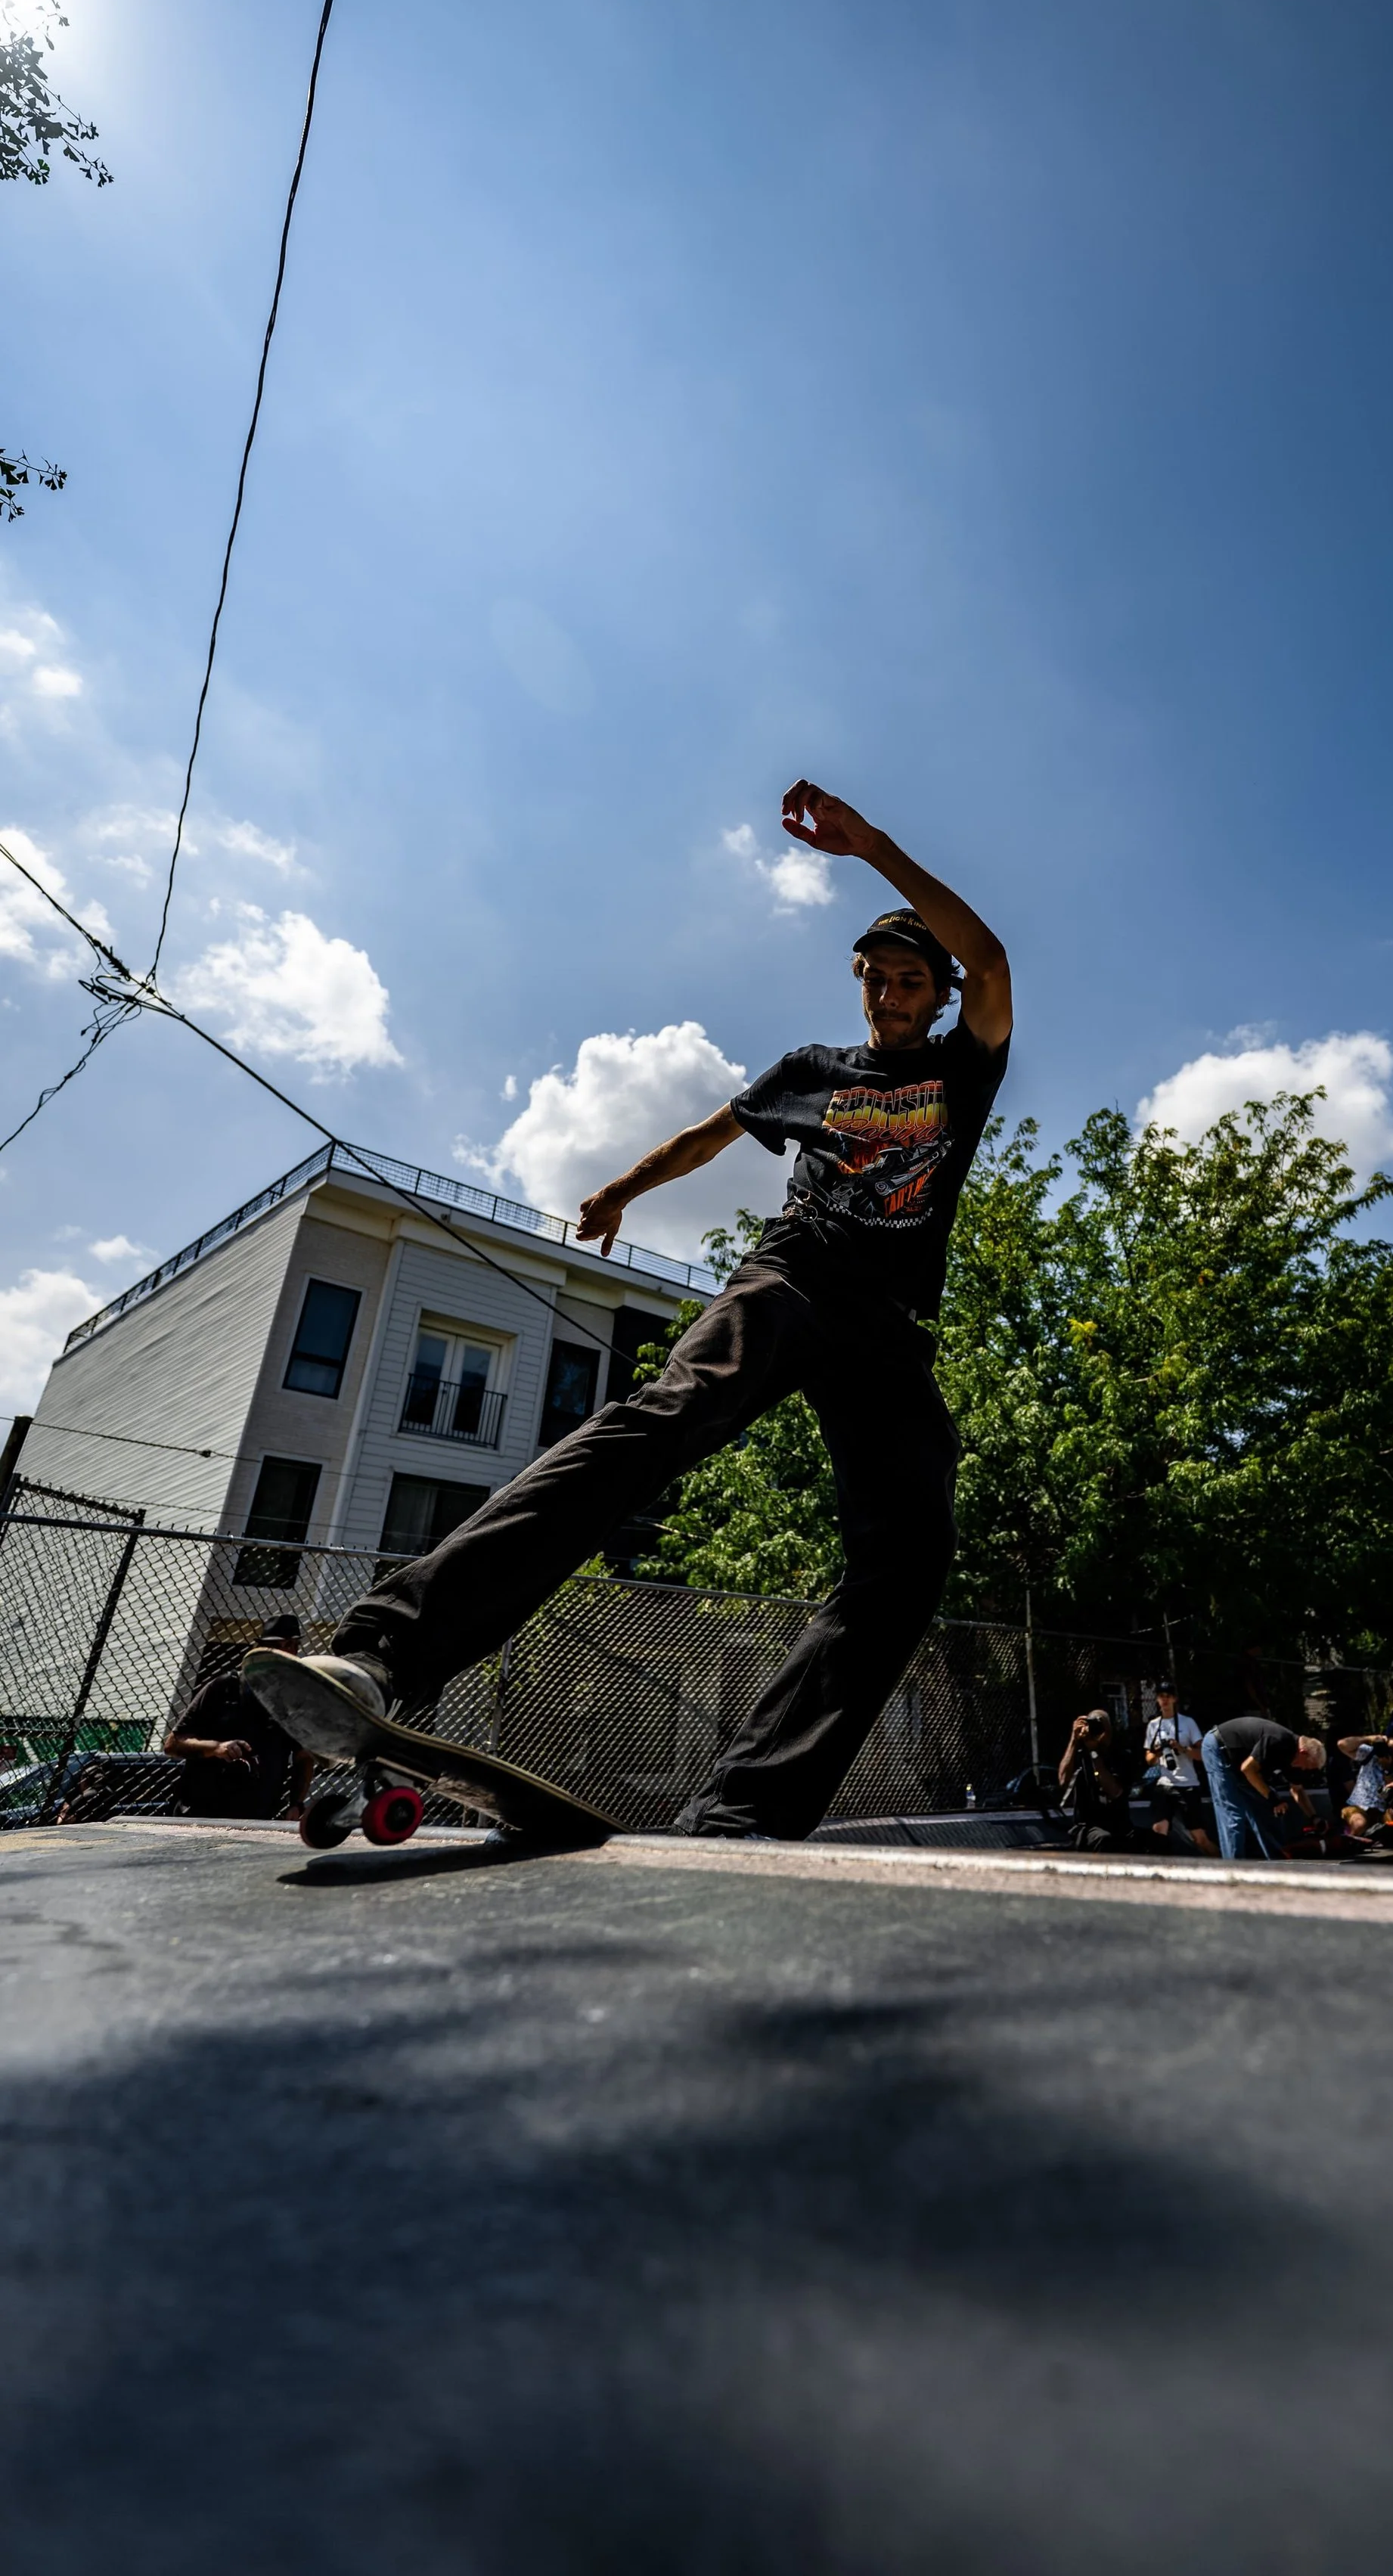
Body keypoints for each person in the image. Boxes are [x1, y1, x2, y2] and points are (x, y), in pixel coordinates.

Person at [254, 786, 1011, 1844]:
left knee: (911, 1552)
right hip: (792, 1278)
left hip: (890, 1329)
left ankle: (748, 1805)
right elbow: (707, 1137)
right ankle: (384, 1653)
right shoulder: (810, 1071)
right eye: (877, 979)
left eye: (909, 981)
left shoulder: (960, 1066)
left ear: (939, 995)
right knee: (664, 1416)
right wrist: (620, 1188)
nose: (888, 996)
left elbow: (997, 957)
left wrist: (873, 845)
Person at [166, 1616, 311, 1820]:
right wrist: (216, 1748)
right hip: (200, 1813)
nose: (290, 1652)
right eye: (284, 1645)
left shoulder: (293, 1700)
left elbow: (303, 1757)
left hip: (256, 1816)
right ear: (261, 1650)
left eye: (294, 1646)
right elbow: (173, 1744)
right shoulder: (225, 1687)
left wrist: (296, 1804)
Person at [1200, 1715, 1326, 1860]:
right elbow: (1248, 1769)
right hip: (1218, 1748)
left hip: (1242, 1763)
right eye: (1308, 1767)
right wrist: (1272, 1798)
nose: (1305, 1771)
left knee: (1267, 1809)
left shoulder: (1295, 1760)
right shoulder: (1278, 1739)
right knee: (1233, 1814)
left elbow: (1297, 1790)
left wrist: (1314, 1817)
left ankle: (1276, 1861)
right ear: (1303, 1753)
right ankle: (1233, 1869)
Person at [1143, 1679, 1212, 1856]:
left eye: (1168, 1696)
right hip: (1165, 1783)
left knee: (1199, 1838)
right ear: (1157, 1700)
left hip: (1187, 1783)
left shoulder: (1188, 1723)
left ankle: (1226, 1868)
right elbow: (1148, 1759)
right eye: (1161, 1697)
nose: (1164, 1700)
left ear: (1174, 1699)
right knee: (1159, 1830)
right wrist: (1158, 1753)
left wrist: (1181, 1748)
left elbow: (1203, 1755)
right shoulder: (1153, 1725)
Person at [1059, 1711, 1130, 1851]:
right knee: (1104, 1839)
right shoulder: (1079, 1753)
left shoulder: (1120, 1756)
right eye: (1092, 1726)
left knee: (1157, 1841)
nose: (1095, 1731)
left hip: (1119, 1823)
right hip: (1088, 1826)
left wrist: (1095, 1754)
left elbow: (1115, 1792)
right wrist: (1074, 1739)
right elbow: (1063, 1780)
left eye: (1099, 1726)